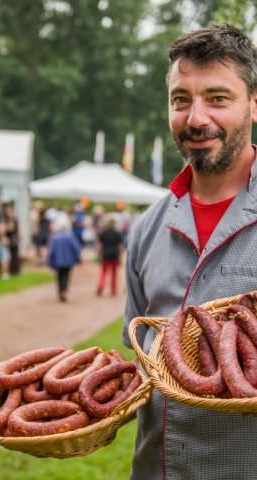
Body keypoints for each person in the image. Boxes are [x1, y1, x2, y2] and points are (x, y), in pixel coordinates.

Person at [123, 24, 257, 480]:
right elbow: (139, 359)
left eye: (218, 98)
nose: (196, 117)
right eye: (181, 100)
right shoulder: (147, 228)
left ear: (254, 104)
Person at [46, 213, 81, 302]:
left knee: (59, 276)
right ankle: (64, 290)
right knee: (66, 275)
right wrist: (77, 258)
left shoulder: (54, 237)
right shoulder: (70, 236)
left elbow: (51, 251)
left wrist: (49, 261)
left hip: (58, 261)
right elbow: (76, 248)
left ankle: (61, 290)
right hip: (68, 261)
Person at [3, 202, 20, 275]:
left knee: (15, 255)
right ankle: (9, 270)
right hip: (8, 238)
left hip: (14, 238)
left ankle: (15, 270)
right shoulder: (5, 219)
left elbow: (16, 229)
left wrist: (19, 236)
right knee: (8, 255)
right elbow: (9, 229)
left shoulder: (14, 219)